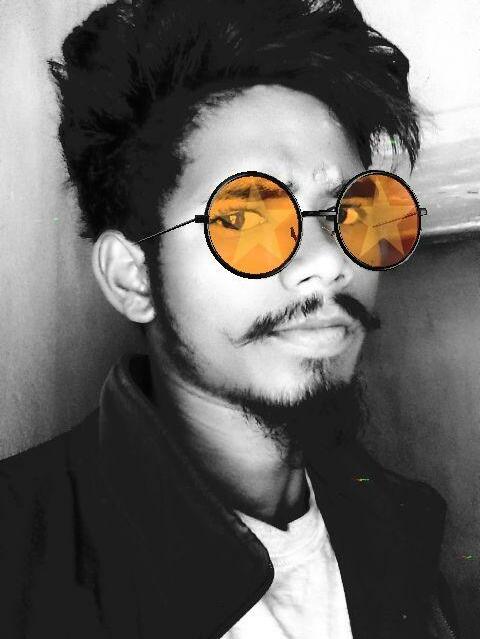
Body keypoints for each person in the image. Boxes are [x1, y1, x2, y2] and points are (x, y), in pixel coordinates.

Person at [0, 0, 459, 637]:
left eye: (351, 211)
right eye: (245, 217)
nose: (330, 262)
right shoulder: (18, 561)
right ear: (134, 278)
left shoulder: (405, 526)